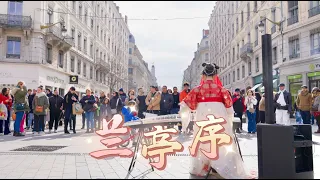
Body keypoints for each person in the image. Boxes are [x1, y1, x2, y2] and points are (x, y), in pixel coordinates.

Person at [180, 63, 247, 179]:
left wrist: (184, 122)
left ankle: (204, 165)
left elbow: (184, 105)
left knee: (203, 139)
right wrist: (229, 120)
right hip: (219, 117)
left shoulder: (197, 89)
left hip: (202, 116)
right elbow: (230, 110)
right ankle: (220, 166)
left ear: (204, 75)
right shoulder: (222, 90)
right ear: (216, 75)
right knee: (220, 141)